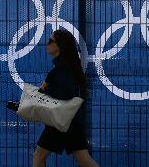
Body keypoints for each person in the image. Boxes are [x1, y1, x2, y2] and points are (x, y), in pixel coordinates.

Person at [6, 29, 99, 167]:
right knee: (83, 160)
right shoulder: (64, 69)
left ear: (60, 45)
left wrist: (45, 90)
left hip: (61, 122)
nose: (47, 43)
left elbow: (63, 95)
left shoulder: (62, 70)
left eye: (51, 41)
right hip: (72, 122)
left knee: (39, 156)